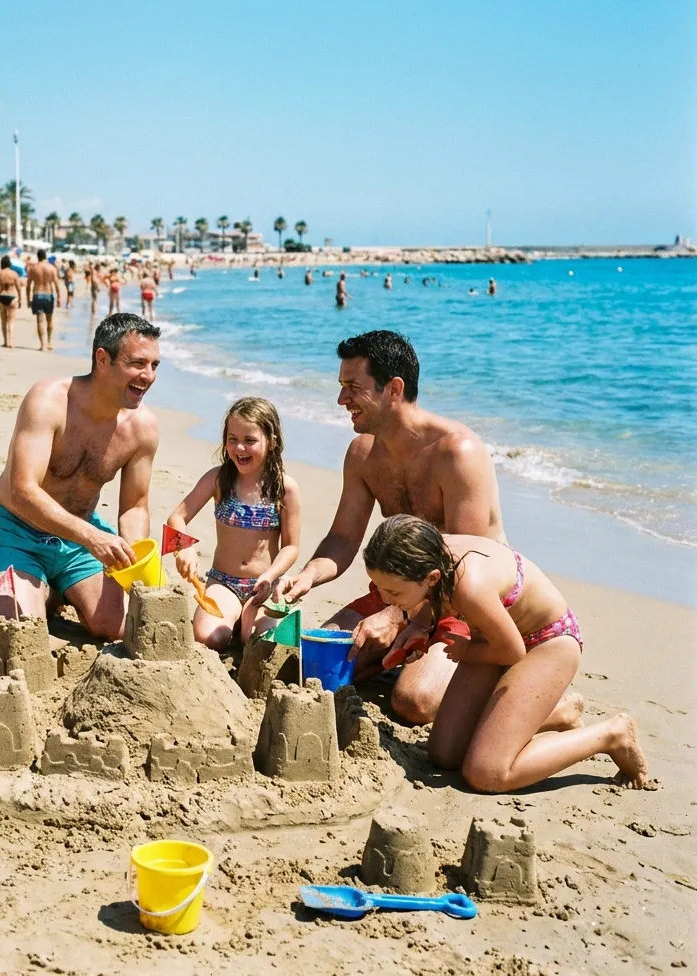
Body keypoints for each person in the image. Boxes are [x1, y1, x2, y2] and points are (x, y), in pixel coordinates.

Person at [275, 330, 509, 725]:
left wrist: (399, 618)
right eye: (341, 387)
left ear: (393, 389)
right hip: (398, 593)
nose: (341, 400)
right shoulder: (363, 453)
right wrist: (306, 577)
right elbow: (343, 539)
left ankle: (515, 689)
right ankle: (402, 657)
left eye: (352, 387)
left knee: (412, 702)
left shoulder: (457, 452)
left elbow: (464, 566)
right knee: (311, 669)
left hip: (464, 605)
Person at [362, 515, 650, 791]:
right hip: (493, 638)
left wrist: (463, 652)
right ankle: (559, 714)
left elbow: (513, 652)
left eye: (394, 593)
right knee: (444, 754)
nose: (385, 600)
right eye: (379, 587)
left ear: (431, 577)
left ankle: (611, 735)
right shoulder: (426, 550)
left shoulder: (469, 586)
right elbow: (439, 602)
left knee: (487, 773)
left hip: (546, 643)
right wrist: (418, 624)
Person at [0, 313, 161, 639]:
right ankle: (28, 586)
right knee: (19, 628)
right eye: (137, 364)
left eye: (155, 365)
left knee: (114, 627)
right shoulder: (49, 400)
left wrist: (134, 560)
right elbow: (23, 491)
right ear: (103, 359)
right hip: (17, 530)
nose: (148, 376)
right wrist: (92, 538)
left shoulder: (142, 428)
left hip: (79, 538)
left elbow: (135, 507)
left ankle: (55, 587)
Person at [168, 397, 301, 649]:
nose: (240, 448)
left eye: (250, 440)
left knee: (260, 643)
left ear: (271, 441)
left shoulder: (285, 489)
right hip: (224, 583)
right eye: (233, 439)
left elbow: (291, 547)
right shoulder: (218, 479)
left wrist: (270, 576)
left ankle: (246, 622)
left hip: (264, 586)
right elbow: (177, 517)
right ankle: (234, 619)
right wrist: (183, 547)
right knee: (210, 638)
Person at [26, 248, 61, 351]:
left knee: (39, 321)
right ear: (45, 256)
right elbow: (57, 284)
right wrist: (59, 297)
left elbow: (28, 286)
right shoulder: (52, 268)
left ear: (38, 256)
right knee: (49, 320)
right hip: (48, 295)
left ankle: (42, 345)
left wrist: (28, 299)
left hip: (37, 295)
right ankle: (49, 342)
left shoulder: (33, 268)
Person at [0, 254, 22, 349]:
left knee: (4, 321)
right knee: (11, 321)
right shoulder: (14, 273)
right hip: (12, 297)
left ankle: (5, 342)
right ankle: (11, 342)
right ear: (9, 263)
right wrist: (20, 299)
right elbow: (19, 288)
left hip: (2, 296)